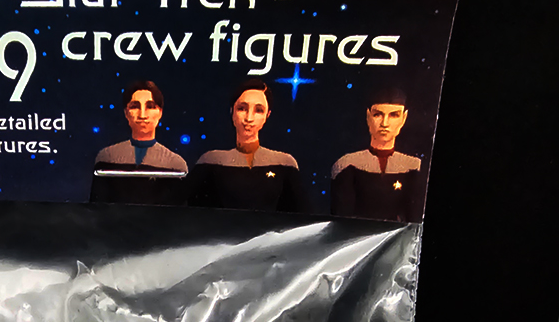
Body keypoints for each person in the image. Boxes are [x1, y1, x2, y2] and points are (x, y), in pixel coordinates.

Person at [191, 78, 307, 212]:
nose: (249, 118)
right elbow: (185, 210)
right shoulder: (210, 160)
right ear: (232, 111)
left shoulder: (285, 163)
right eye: (242, 109)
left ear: (267, 115)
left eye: (258, 110)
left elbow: (303, 215)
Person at [331, 87, 423, 222]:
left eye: (394, 115)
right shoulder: (347, 165)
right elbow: (341, 219)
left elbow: (414, 218)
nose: (384, 124)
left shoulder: (414, 167)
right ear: (368, 116)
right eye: (377, 115)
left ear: (404, 118)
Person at [91, 80, 188, 205]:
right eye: (135, 106)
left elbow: (179, 214)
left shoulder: (176, 165)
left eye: (150, 106)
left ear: (160, 112)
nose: (142, 115)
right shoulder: (107, 157)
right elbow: (96, 211)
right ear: (126, 113)